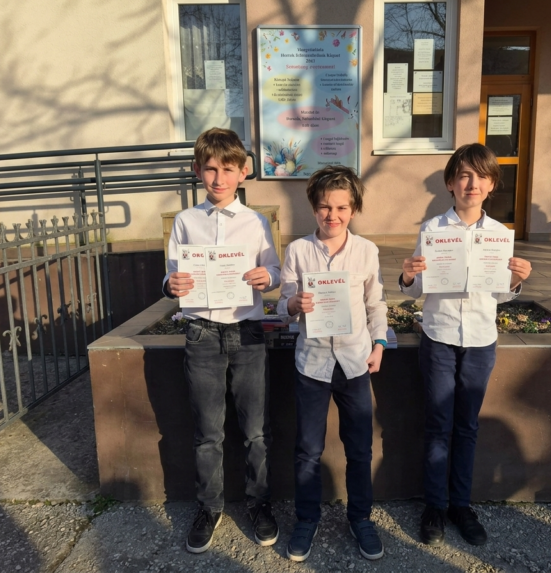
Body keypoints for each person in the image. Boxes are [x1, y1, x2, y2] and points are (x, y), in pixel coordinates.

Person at [399, 143, 532, 547]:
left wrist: (516, 280)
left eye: (481, 176)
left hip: (479, 339)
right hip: (439, 336)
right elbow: (417, 289)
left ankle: (461, 505)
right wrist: (408, 276)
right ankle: (435, 506)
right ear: (450, 183)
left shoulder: (499, 235)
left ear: (491, 185)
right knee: (438, 424)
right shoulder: (432, 230)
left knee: (467, 426)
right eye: (464, 175)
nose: (472, 184)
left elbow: (501, 294)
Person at [163, 128, 281, 553]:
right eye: (211, 169)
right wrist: (171, 284)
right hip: (202, 333)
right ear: (197, 170)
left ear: (243, 172)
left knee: (255, 432)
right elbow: (171, 274)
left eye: (228, 169)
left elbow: (275, 272)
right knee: (208, 432)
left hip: (247, 333)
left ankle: (259, 503)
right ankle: (208, 507)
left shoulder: (256, 222)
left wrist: (268, 276)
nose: (219, 178)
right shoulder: (185, 221)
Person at [277, 165, 388, 562]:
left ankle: (361, 519)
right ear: (313, 208)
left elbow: (375, 303)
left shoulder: (367, 251)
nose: (333, 215)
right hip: (312, 363)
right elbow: (282, 305)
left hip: (355, 363)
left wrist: (379, 343)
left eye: (342, 208)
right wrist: (292, 304)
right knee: (308, 449)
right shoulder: (298, 251)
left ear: (353, 210)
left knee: (359, 448)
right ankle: (307, 520)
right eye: (325, 207)